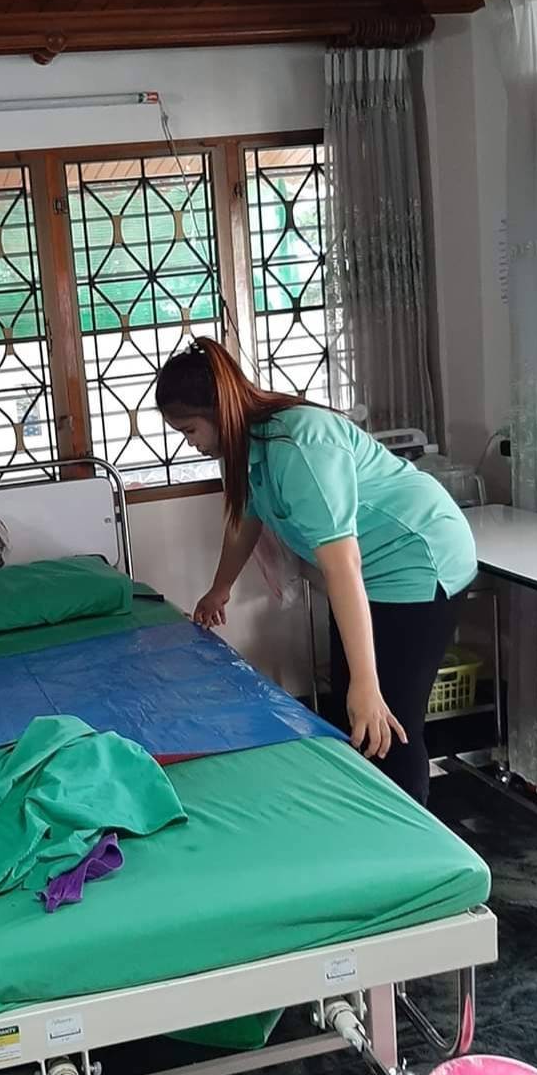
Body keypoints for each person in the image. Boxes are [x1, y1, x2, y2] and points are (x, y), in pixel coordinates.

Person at [155, 337, 477, 806]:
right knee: (354, 710)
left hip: (419, 559)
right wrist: (219, 589)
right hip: (370, 570)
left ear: (219, 411)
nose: (192, 443)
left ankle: (415, 840)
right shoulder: (245, 448)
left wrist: (367, 684)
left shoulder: (298, 444)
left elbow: (342, 564)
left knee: (387, 719)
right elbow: (245, 518)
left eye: (190, 430)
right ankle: (368, 818)